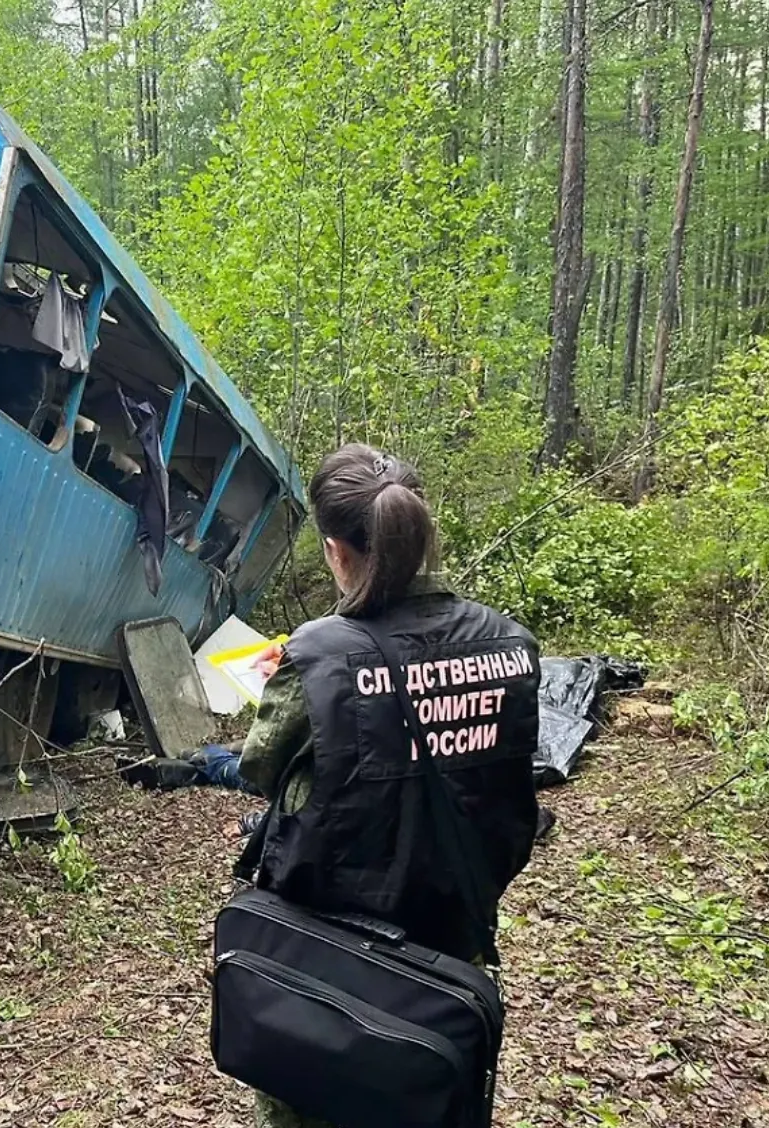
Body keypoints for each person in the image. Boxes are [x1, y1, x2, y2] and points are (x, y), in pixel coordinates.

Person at [236, 444, 540, 1128]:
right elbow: (511, 788)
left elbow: (262, 767)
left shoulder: (318, 652)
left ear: (336, 551)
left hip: (326, 951)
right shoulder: (509, 643)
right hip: (449, 946)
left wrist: (280, 688)